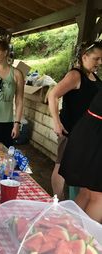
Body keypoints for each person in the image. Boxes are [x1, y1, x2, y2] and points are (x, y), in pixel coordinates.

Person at [48, 41, 102, 200]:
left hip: (86, 134)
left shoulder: (92, 76)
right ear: (84, 57)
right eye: (96, 58)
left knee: (75, 167)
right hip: (71, 130)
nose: (99, 62)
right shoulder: (75, 75)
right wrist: (56, 122)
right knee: (62, 166)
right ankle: (57, 201)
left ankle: (70, 202)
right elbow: (53, 95)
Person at [59, 88, 102, 223]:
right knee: (98, 196)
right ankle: (84, 240)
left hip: (87, 132)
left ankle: (67, 234)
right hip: (96, 138)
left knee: (86, 192)